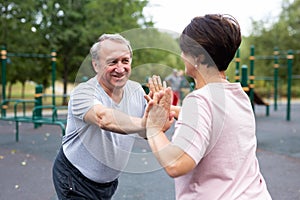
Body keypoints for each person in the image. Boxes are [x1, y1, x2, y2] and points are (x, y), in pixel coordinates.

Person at [145, 14, 272, 199]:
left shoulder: (199, 101)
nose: (181, 56)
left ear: (197, 56)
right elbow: (218, 120)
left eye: (184, 51)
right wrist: (172, 111)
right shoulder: (238, 96)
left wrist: (153, 127)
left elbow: (176, 164)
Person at [52, 33, 148, 199]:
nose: (120, 68)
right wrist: (146, 123)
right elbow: (104, 118)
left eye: (125, 61)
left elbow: (147, 132)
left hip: (107, 183)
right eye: (112, 62)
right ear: (96, 65)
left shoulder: (136, 91)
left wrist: (161, 114)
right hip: (75, 179)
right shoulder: (83, 92)